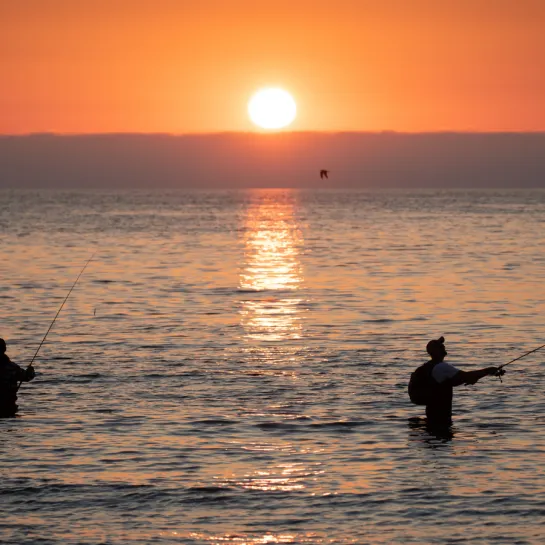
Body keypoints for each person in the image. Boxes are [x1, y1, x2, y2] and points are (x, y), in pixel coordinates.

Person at [408, 336, 504, 428]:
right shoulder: (441, 367)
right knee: (442, 438)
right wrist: (488, 370)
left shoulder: (430, 367)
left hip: (433, 415)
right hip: (441, 418)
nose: (443, 345)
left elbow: (457, 380)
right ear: (435, 351)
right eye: (439, 345)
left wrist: (484, 374)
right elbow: (466, 376)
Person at [0, 338, 35, 417]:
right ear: (4, 349)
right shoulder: (12, 367)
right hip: (8, 406)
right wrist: (30, 369)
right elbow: (28, 376)